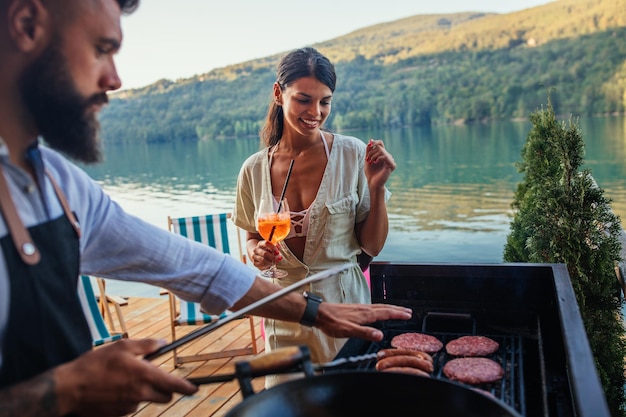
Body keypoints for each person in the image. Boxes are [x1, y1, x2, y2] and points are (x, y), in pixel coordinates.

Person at [0, 1, 412, 416]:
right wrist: (58, 393)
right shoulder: (254, 168)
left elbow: (198, 268)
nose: (115, 79)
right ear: (26, 23)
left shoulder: (59, 183)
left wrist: (318, 313)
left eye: (324, 102)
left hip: (329, 310)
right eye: (100, 48)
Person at [232, 47, 397, 387]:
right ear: (279, 93)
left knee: (350, 403)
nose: (316, 112)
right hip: (285, 314)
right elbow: (251, 236)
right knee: (289, 403)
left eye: (325, 101)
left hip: (346, 310)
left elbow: (372, 246)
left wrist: (377, 188)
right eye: (304, 100)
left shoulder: (353, 154)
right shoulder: (252, 170)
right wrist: (255, 252)